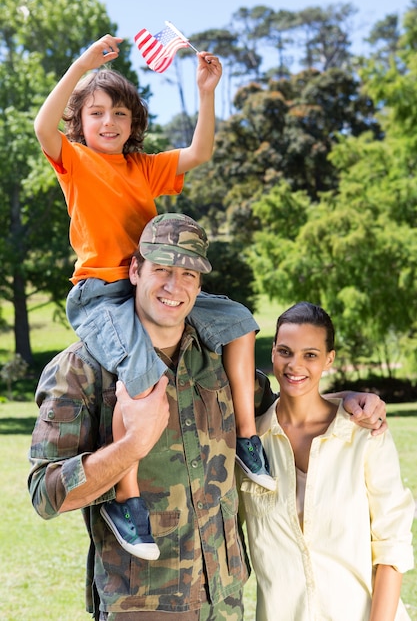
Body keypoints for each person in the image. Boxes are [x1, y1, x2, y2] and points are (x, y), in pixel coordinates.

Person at [28, 215, 388, 621]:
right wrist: (131, 447)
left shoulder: (219, 361)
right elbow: (45, 492)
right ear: (135, 270)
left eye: (187, 274)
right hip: (143, 605)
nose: (173, 286)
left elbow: (284, 411)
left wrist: (351, 399)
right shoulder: (82, 369)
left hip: (226, 598)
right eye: (161, 269)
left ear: (199, 285)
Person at [33, 34, 273, 561]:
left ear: (133, 121)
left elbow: (200, 152)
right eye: (96, 113)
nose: (109, 122)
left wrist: (207, 91)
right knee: (143, 377)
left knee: (238, 319)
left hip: (156, 286)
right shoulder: (73, 161)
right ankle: (127, 499)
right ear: (81, 121)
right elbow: (41, 126)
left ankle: (249, 440)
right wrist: (85, 65)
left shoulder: (143, 167)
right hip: (102, 294)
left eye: (119, 113)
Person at [237, 301, 415, 621]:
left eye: (310, 355)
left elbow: (392, 547)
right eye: (285, 351)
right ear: (273, 353)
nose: (295, 365)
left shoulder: (364, 435)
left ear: (328, 360)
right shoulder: (250, 449)